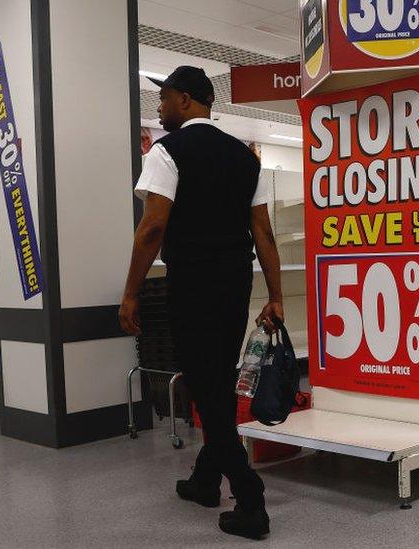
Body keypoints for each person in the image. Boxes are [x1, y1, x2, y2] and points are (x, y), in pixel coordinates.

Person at [118, 65, 283, 541]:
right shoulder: (246, 158)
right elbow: (264, 233)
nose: (160, 106)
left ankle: (250, 499)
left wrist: (130, 293)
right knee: (213, 380)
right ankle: (205, 481)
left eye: (165, 98)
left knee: (206, 391)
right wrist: (275, 296)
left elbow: (152, 228)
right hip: (236, 282)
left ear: (187, 100)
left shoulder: (167, 151)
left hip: (192, 282)